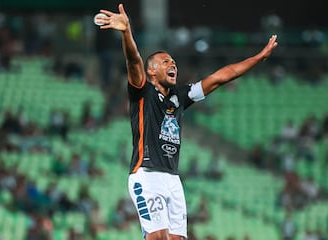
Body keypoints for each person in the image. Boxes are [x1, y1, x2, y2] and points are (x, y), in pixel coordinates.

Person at [96, 4, 278, 240]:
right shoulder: (142, 93)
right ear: (151, 72)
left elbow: (220, 78)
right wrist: (126, 32)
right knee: (157, 237)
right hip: (147, 174)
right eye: (165, 62)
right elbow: (133, 61)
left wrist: (258, 57)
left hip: (173, 179)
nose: (173, 64)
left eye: (173, 62)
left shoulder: (180, 96)